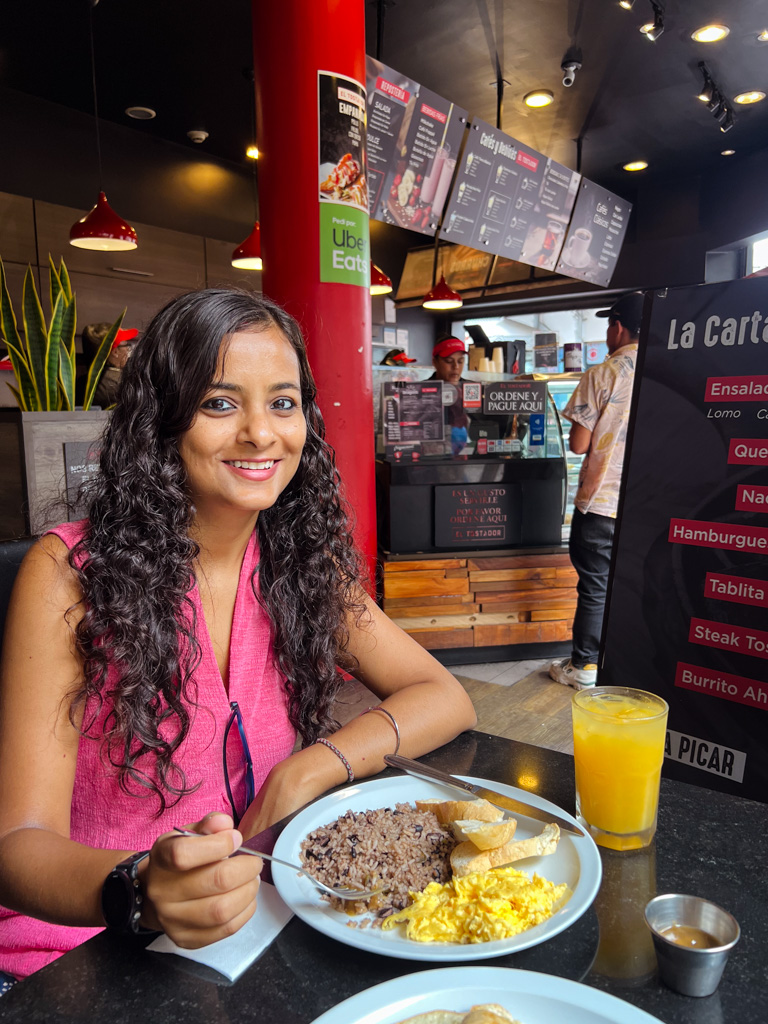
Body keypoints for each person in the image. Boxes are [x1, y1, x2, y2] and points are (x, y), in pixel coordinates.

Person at [0, 289, 477, 984]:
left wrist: (310, 766)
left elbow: (443, 696)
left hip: (254, 929)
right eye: (220, 404)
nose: (261, 434)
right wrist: (140, 887)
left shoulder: (298, 562)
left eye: (283, 404)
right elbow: (16, 846)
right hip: (80, 957)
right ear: (162, 420)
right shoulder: (71, 574)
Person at [549, 291, 644, 690]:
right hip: (646, 502)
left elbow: (578, 444)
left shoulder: (604, 373)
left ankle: (585, 666)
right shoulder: (667, 368)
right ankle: (624, 660)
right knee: (631, 585)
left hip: (603, 502)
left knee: (595, 585)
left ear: (617, 326)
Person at [429, 335, 470, 455]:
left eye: (460, 361)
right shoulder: (421, 391)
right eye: (449, 361)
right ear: (435, 362)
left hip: (465, 458)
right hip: (430, 459)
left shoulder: (471, 389)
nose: (456, 367)